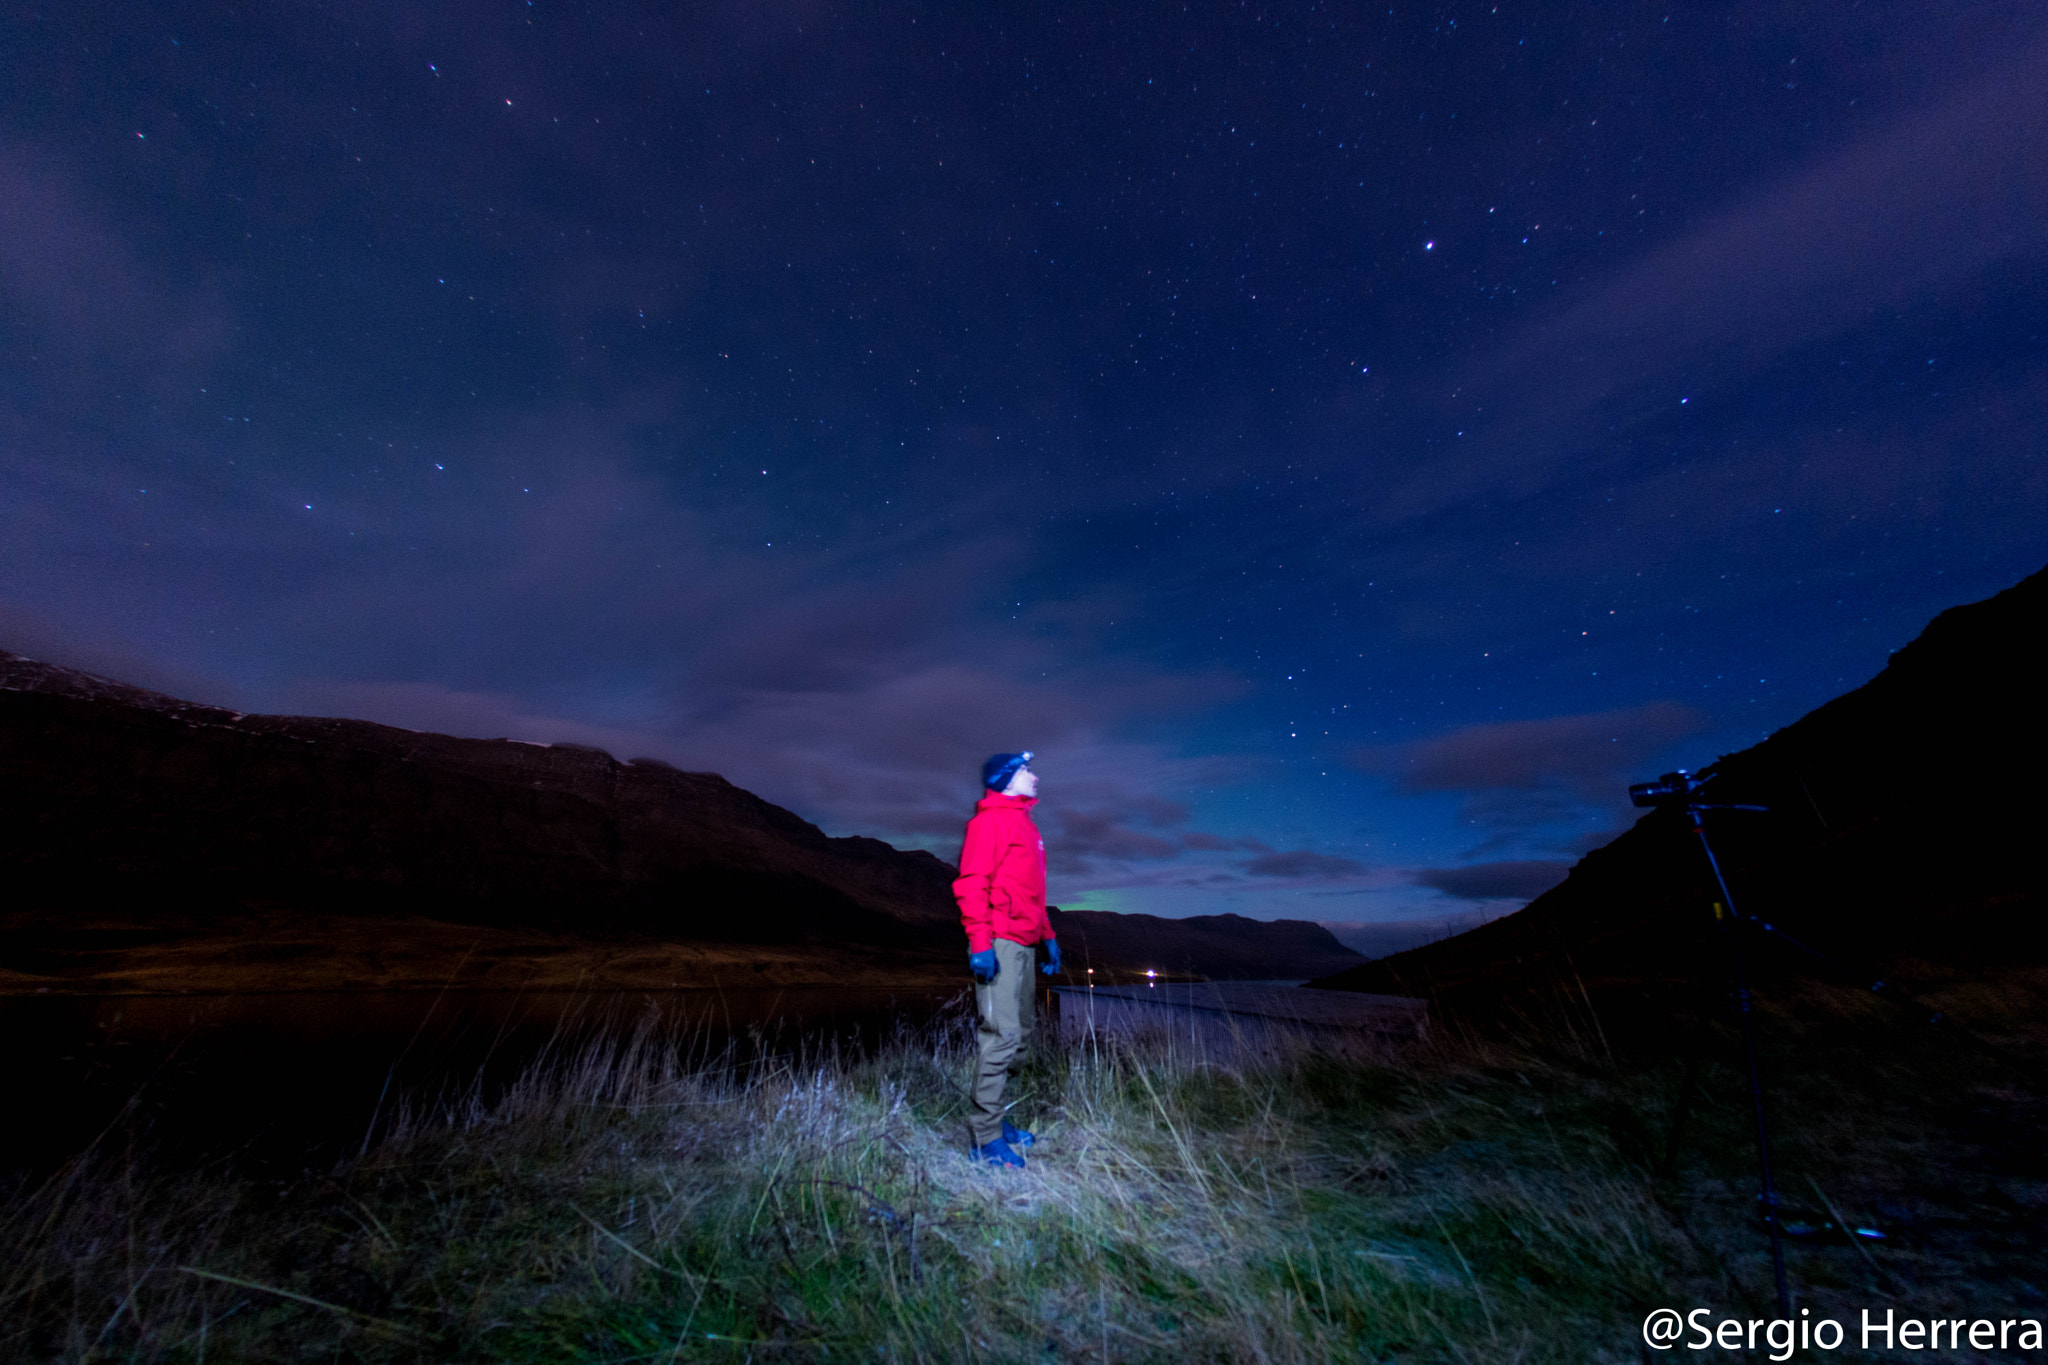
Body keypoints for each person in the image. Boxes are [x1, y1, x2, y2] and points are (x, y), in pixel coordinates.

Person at [952, 750, 1063, 1167]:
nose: (1035, 776)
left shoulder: (1026, 826)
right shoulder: (989, 823)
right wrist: (980, 943)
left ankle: (1000, 1122)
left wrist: (1047, 936)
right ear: (1008, 778)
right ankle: (984, 1141)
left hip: (1024, 944)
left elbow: (1032, 894)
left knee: (1021, 1040)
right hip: (999, 941)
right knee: (1002, 1037)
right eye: (1027, 770)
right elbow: (971, 883)